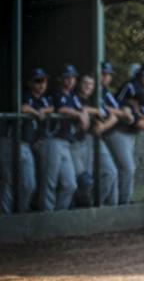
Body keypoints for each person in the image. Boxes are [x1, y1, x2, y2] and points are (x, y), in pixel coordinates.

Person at [0, 68, 50, 214]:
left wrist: (44, 111)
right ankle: (6, 216)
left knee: (27, 184)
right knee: (11, 181)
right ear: (29, 83)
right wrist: (37, 112)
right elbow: (23, 107)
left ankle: (19, 213)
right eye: (38, 81)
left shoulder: (43, 99)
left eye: (44, 81)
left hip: (25, 145)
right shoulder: (24, 94)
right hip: (10, 142)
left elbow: (53, 107)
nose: (42, 84)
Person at [109, 63, 144, 205]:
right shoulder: (130, 86)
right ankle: (123, 204)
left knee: (123, 169)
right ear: (140, 76)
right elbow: (118, 107)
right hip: (117, 131)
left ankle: (121, 202)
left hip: (130, 134)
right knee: (127, 168)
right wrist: (137, 117)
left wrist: (139, 115)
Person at [41, 64, 87, 210]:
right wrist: (78, 114)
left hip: (66, 142)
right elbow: (60, 108)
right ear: (61, 79)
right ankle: (46, 215)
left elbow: (81, 109)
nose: (70, 81)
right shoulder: (56, 92)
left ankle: (59, 214)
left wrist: (83, 115)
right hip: (52, 141)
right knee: (50, 181)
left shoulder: (73, 96)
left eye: (73, 77)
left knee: (70, 184)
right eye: (67, 77)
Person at [70, 73, 118, 207]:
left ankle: (95, 204)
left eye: (91, 84)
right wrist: (91, 111)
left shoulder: (94, 99)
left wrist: (103, 126)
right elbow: (80, 109)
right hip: (77, 141)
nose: (88, 86)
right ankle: (79, 208)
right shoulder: (74, 97)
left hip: (94, 138)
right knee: (83, 180)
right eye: (85, 83)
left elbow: (114, 117)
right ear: (79, 83)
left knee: (111, 173)